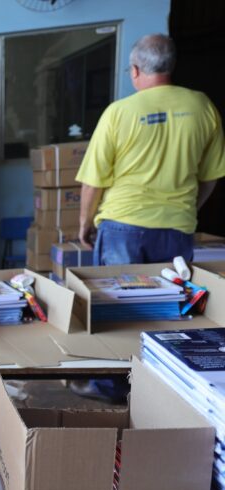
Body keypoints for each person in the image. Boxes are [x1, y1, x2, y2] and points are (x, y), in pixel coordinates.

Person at [72, 34, 225, 402]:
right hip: (176, 229)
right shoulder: (202, 107)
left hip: (122, 227)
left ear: (136, 70)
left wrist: (84, 224)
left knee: (116, 312)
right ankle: (162, 388)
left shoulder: (119, 112)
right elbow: (211, 177)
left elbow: (93, 183)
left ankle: (112, 387)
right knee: (169, 313)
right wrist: (186, 209)